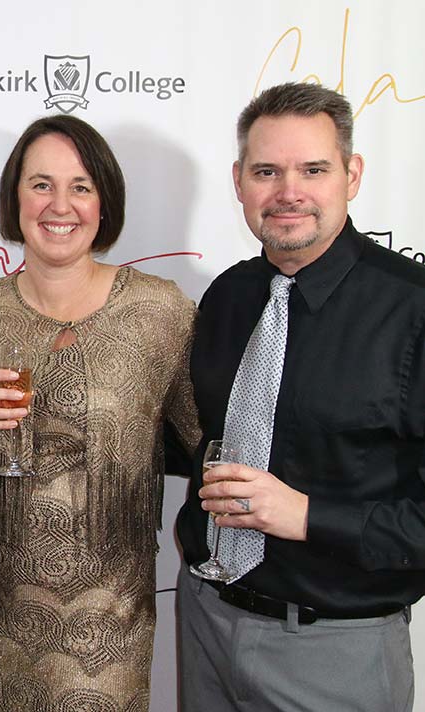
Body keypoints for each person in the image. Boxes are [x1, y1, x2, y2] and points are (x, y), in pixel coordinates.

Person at [0, 114, 201, 711]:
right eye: (41, 184)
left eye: (81, 186)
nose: (60, 205)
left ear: (105, 203)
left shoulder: (162, 313)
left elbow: (210, 443)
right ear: (15, 198)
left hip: (108, 638)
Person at [175, 82, 425, 711]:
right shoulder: (228, 297)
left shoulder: (414, 309)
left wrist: (306, 515)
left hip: (336, 651)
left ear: (352, 174)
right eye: (267, 171)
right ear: (239, 181)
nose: (289, 192)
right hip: (205, 619)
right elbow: (198, 436)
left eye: (313, 169)